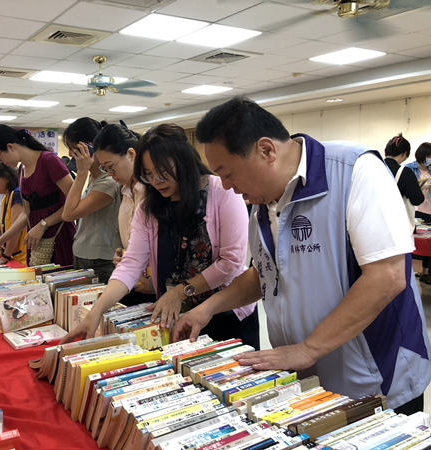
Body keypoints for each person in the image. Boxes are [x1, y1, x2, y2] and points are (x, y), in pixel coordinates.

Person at [172, 96, 431, 414]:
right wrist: (207, 309)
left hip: (377, 378)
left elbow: (387, 277)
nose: (225, 186)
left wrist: (309, 348)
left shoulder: (354, 172)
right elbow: (264, 273)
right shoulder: (260, 202)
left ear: (266, 150)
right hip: (310, 379)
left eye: (228, 173)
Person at [61, 124, 259, 347]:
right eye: (148, 175)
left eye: (162, 173)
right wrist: (96, 311)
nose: (155, 182)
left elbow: (230, 263)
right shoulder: (149, 205)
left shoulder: (221, 193)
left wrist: (180, 292)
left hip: (225, 315)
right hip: (175, 317)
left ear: (183, 161)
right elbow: (131, 263)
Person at [0, 125, 76, 266]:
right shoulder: (21, 170)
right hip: (37, 239)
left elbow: (74, 202)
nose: (0, 161)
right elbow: (27, 214)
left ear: (11, 147)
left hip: (59, 236)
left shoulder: (48, 160)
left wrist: (43, 224)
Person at [93, 123, 155, 305]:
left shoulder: (155, 192)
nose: (110, 174)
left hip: (157, 285)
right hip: (134, 280)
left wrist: (156, 284)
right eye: (105, 169)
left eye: (111, 166)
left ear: (131, 154)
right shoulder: (126, 192)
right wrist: (122, 255)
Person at [61, 118, 122, 283]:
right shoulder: (93, 178)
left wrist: (81, 173)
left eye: (73, 149)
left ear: (87, 147)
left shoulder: (108, 182)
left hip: (99, 260)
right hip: (84, 254)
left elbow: (68, 214)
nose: (70, 154)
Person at [0, 160, 27, 266]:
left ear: (6, 176)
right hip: (12, 254)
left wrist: (6, 255)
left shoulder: (16, 194)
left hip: (21, 257)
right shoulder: (4, 197)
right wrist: (1, 249)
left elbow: (15, 231)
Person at [383, 134, 423, 234]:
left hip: (373, 225)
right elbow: (417, 199)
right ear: (404, 154)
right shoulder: (405, 172)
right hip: (398, 228)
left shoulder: (371, 168)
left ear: (385, 152)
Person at [404, 143, 431, 280]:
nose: (430, 159)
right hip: (414, 209)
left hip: (429, 210)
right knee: (412, 240)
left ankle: (425, 273)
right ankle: (407, 270)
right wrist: (421, 185)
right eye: (428, 156)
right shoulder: (409, 168)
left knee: (429, 243)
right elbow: (407, 191)